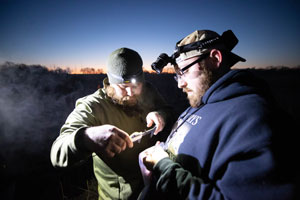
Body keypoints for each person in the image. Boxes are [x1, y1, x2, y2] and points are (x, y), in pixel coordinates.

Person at [139, 30, 298, 200]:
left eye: (184, 72)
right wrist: (160, 152)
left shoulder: (255, 119)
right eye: (177, 76)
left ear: (215, 59)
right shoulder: (200, 102)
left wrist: (163, 167)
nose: (180, 84)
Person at [50, 47, 174, 199]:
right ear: (110, 83)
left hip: (158, 187)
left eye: (136, 86)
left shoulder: (148, 90)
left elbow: (168, 111)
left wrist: (161, 115)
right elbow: (57, 153)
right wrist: (87, 137)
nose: (131, 93)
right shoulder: (92, 106)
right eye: (123, 87)